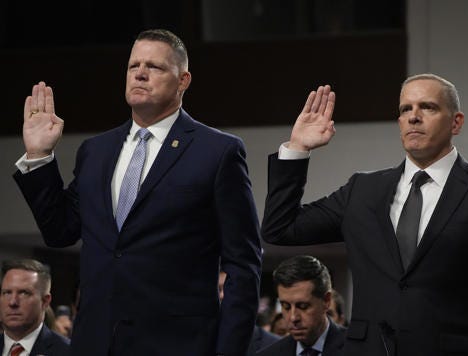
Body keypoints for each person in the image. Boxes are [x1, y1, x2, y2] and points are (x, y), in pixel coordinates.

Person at [13, 28, 262, 356]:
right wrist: (39, 157)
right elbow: (60, 232)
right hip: (96, 343)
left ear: (183, 80)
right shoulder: (96, 150)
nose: (140, 74)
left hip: (178, 345)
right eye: (133, 66)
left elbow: (243, 265)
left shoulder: (218, 152)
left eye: (154, 67)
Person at [261, 74, 468, 355]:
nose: (413, 117)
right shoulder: (362, 190)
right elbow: (280, 228)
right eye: (405, 109)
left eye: (427, 107)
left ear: (456, 122)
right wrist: (298, 148)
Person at [257, 255, 346, 356]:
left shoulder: (360, 349)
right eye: (286, 306)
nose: (293, 317)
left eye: (303, 306)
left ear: (326, 301)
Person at [0, 259, 70, 356]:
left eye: (24, 293)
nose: (13, 302)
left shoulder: (69, 351)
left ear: (45, 301)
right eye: (7, 293)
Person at [218, 271, 279, 355]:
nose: (222, 295)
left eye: (229, 287)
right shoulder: (199, 341)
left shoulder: (274, 345)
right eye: (218, 289)